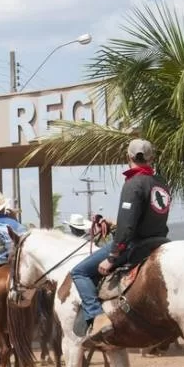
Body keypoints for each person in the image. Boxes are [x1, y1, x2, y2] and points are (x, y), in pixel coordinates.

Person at [70, 139, 171, 341]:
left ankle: (97, 317)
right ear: (151, 158)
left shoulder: (133, 184)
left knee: (79, 272)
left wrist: (113, 256)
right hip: (159, 240)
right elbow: (144, 217)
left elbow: (127, 228)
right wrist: (113, 223)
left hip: (135, 245)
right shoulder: (161, 183)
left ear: (129, 157)